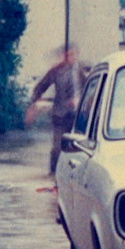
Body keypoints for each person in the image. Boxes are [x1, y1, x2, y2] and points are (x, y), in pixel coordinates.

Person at [25, 44, 82, 174]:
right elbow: (40, 87)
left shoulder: (79, 71)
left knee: (77, 150)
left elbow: (88, 90)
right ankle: (53, 175)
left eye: (73, 55)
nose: (71, 58)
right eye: (68, 55)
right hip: (60, 116)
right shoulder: (56, 71)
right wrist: (34, 105)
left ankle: (71, 175)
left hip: (77, 117)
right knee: (57, 149)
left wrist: (81, 100)